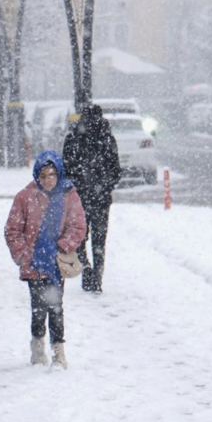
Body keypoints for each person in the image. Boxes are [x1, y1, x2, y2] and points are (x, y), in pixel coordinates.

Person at [4, 151, 87, 369]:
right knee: (38, 307)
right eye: (43, 175)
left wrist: (63, 246)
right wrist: (23, 255)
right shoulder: (25, 197)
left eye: (52, 174)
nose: (48, 179)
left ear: (59, 173)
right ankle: (37, 346)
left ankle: (59, 353)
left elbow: (78, 226)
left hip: (56, 263)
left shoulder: (69, 195)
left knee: (56, 306)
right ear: (36, 175)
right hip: (33, 262)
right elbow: (13, 229)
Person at [61, 104, 122, 293]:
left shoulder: (73, 139)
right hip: (101, 199)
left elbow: (65, 170)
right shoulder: (107, 139)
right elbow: (116, 171)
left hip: (79, 198)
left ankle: (86, 267)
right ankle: (97, 275)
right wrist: (104, 186)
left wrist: (76, 186)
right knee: (99, 238)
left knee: (79, 235)